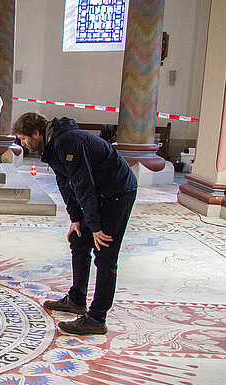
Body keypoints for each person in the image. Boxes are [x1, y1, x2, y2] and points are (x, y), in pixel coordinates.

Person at [12, 112, 138, 335]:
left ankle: (97, 318)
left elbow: (83, 184)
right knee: (79, 240)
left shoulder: (66, 141)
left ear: (36, 133)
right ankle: (77, 299)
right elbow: (65, 182)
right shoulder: (52, 145)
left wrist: (96, 227)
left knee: (105, 255)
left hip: (117, 192)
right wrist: (76, 219)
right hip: (101, 194)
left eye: (23, 138)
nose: (22, 143)